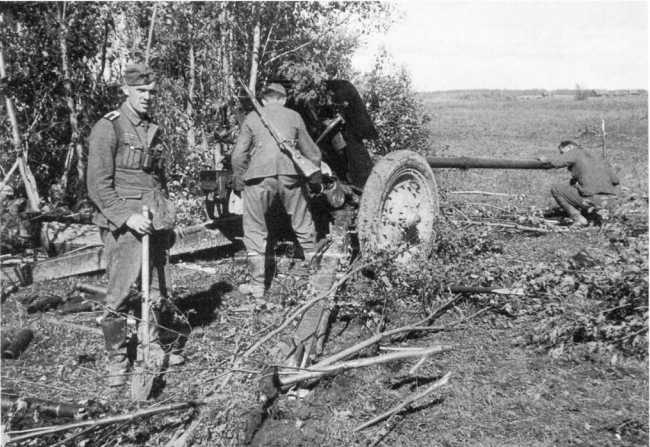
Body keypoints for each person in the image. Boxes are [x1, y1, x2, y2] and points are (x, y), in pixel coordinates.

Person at [87, 63, 179, 387]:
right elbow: (97, 184)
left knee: (154, 291)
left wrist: (165, 215)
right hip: (124, 225)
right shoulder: (108, 128)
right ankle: (116, 360)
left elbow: (156, 179)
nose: (147, 97)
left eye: (151, 92)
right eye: (141, 91)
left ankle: (151, 345)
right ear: (126, 90)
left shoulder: (152, 128)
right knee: (120, 294)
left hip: (152, 220)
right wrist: (127, 217)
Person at [231, 82, 322, 298]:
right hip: (290, 174)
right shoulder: (294, 116)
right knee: (302, 222)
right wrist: (314, 179)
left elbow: (237, 156)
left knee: (254, 230)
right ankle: (316, 279)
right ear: (283, 99)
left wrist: (240, 180)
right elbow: (314, 154)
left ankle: (257, 287)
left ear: (263, 99)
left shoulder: (253, 117)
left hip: (258, 177)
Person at [540, 140, 619, 226]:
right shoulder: (597, 157)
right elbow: (615, 181)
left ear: (570, 147)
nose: (563, 155)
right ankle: (593, 215)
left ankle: (578, 218)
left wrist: (544, 160)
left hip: (595, 201)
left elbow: (557, 162)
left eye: (562, 153)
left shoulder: (575, 152)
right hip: (611, 202)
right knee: (575, 187)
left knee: (556, 189)